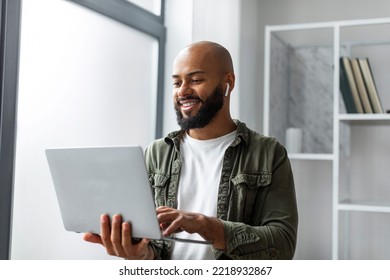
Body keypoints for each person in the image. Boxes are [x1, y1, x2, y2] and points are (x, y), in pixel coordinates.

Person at [83, 41, 298, 260]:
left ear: (228, 82)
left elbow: (283, 245)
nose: (183, 91)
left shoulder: (269, 153)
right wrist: (139, 254)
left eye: (195, 80)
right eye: (177, 83)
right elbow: (151, 247)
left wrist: (207, 226)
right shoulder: (157, 153)